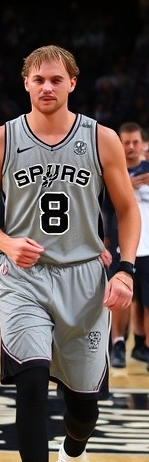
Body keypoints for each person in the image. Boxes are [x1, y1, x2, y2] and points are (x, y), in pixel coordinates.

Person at [0, 45, 140, 462]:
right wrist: (5, 244)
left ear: (72, 84)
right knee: (30, 381)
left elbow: (127, 208)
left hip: (84, 278)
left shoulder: (100, 138)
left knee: (83, 407)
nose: (47, 87)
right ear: (25, 82)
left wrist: (125, 269)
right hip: (24, 279)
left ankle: (73, 449)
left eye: (56, 79)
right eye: (39, 79)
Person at [108, 122, 149, 369]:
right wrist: (128, 185)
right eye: (126, 142)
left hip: (148, 247)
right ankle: (118, 345)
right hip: (122, 246)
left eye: (135, 142)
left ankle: (142, 347)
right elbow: (100, 204)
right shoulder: (112, 171)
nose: (131, 147)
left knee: (145, 303)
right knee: (120, 298)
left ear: (143, 144)